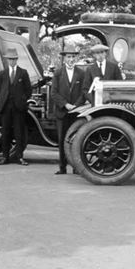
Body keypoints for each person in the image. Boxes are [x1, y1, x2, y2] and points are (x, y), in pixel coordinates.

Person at [49, 45, 92, 174]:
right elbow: (54, 93)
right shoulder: (57, 73)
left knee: (75, 140)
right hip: (62, 112)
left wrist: (76, 106)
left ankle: (75, 167)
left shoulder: (81, 73)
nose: (71, 59)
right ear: (64, 58)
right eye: (68, 56)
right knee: (62, 140)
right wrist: (65, 104)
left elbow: (83, 93)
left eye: (73, 56)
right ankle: (62, 168)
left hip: (76, 113)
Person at [0, 47, 32, 165]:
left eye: (13, 59)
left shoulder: (23, 72)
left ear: (17, 59)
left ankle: (19, 157)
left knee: (19, 132)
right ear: (7, 60)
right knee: (5, 132)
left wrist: (22, 100)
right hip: (5, 107)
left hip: (18, 108)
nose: (11, 61)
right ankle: (5, 157)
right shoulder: (3, 73)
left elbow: (28, 90)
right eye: (10, 59)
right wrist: (1, 100)